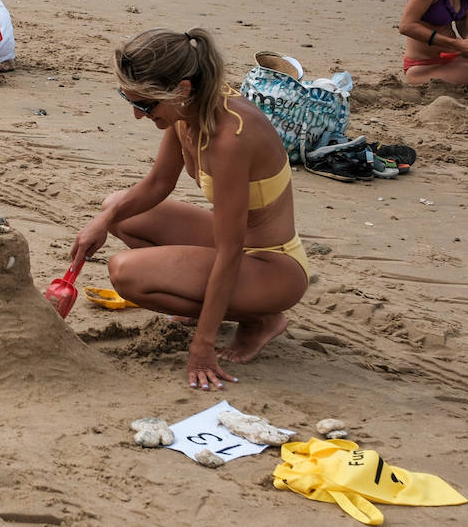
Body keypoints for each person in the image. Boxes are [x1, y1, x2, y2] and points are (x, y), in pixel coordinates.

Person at [71, 28, 308, 389]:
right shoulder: (188, 110)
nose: (138, 116)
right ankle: (202, 298)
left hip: (273, 265)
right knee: (117, 207)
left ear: (181, 89)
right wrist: (101, 221)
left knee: (125, 273)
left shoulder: (230, 139)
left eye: (146, 105)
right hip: (236, 247)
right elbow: (157, 185)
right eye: (130, 101)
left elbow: (229, 252)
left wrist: (203, 344)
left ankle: (261, 319)